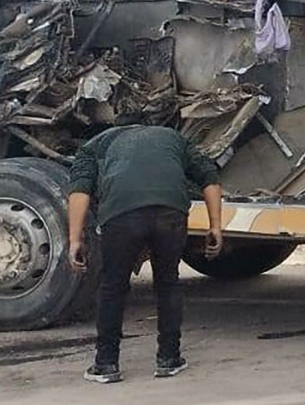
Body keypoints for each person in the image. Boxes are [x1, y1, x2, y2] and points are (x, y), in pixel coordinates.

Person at [67, 124, 224, 384]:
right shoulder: (173, 137)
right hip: (170, 212)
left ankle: (106, 364)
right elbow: (209, 177)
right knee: (168, 283)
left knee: (112, 287)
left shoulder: (94, 145)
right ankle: (169, 359)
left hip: (121, 215)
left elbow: (80, 190)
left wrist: (74, 240)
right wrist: (215, 226)